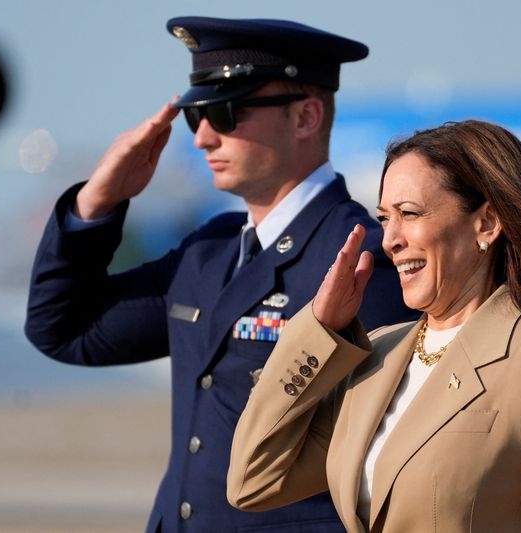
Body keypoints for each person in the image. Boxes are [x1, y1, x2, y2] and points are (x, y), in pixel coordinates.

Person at [24, 16, 419, 533]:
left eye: (225, 112)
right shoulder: (206, 254)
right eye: (195, 118)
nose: (203, 138)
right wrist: (97, 202)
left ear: (305, 117)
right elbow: (63, 329)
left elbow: (401, 451)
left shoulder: (361, 260)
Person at [227, 120, 521, 532]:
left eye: (409, 214)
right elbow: (252, 481)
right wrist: (317, 332)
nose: (389, 240)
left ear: (486, 223)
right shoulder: (377, 356)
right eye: (385, 218)